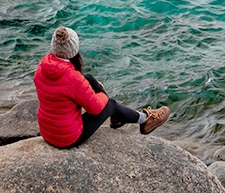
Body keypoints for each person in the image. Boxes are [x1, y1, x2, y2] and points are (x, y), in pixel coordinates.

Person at [34, 26, 170, 148]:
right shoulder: (73, 78)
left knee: (88, 78)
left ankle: (117, 117)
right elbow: (95, 108)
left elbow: (61, 91)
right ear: (75, 50)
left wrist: (87, 86)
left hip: (47, 131)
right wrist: (100, 95)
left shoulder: (41, 68)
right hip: (67, 138)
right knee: (110, 104)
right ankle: (144, 119)